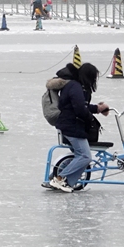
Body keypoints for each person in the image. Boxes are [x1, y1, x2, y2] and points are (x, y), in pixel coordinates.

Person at [46, 62, 108, 193]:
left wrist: (97, 108)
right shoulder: (75, 87)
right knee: (85, 156)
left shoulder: (74, 86)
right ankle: (60, 178)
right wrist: (91, 118)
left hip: (69, 124)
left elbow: (81, 106)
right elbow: (79, 109)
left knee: (80, 156)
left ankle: (64, 182)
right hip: (71, 126)